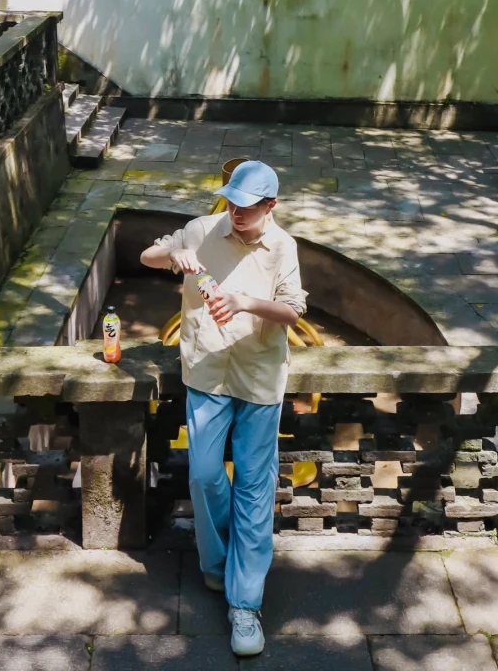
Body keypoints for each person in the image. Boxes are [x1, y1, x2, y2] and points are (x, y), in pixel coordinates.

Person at [140, 159, 306, 658]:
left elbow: (294, 310)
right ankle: (218, 566)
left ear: (270, 206)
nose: (236, 212)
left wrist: (244, 303)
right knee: (206, 473)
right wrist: (179, 254)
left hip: (259, 379)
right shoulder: (201, 228)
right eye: (232, 201)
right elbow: (148, 255)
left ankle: (245, 602)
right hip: (207, 374)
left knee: (256, 487)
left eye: (247, 207)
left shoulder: (283, 247)